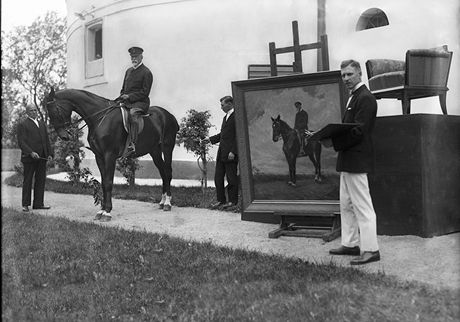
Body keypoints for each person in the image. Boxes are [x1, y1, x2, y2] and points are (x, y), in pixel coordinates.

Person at [320, 59, 380, 265]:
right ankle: (350, 244)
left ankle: (371, 249)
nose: (345, 78)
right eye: (343, 75)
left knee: (363, 206)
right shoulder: (354, 97)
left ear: (359, 74)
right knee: (346, 205)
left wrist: (333, 142)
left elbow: (358, 131)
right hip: (348, 159)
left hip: (357, 159)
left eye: (349, 74)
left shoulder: (366, 98)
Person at [117, 46, 154, 156]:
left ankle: (132, 144)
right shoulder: (128, 71)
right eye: (132, 57)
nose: (134, 59)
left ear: (141, 57)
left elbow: (144, 92)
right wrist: (121, 96)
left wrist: (129, 97)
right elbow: (123, 88)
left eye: (136, 56)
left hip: (141, 103)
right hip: (127, 101)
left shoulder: (146, 72)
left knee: (132, 114)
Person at [17, 103, 53, 212]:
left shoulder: (41, 124)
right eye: (31, 110)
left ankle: (38, 203)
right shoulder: (23, 124)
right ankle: (25, 204)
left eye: (35, 110)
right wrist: (31, 152)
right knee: (28, 180)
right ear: (27, 112)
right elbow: (21, 142)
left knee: (40, 180)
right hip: (29, 158)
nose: (34, 112)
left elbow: (46, 141)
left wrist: (50, 154)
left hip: (42, 157)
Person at [208, 96, 239, 210]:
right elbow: (223, 135)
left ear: (230, 104)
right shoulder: (225, 117)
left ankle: (232, 202)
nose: (221, 107)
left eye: (222, 105)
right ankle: (221, 200)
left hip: (231, 153)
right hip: (221, 152)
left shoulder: (237, 116)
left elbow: (238, 136)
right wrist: (210, 140)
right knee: (218, 178)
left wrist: (234, 151)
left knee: (231, 178)